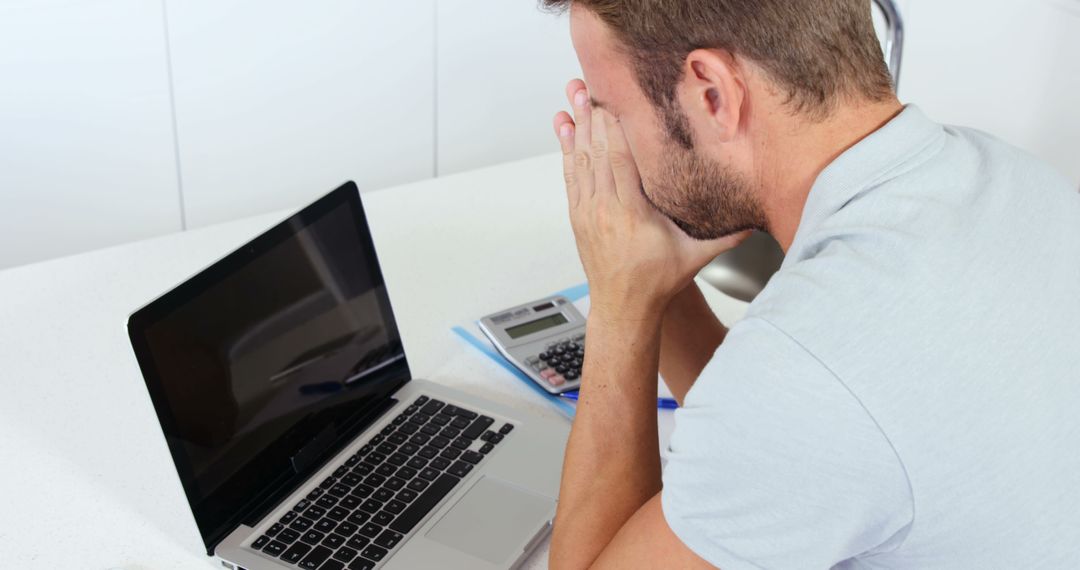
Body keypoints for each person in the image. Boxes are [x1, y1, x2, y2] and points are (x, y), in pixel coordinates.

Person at [540, 0, 1080, 568]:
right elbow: (790, 458)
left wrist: (620, 303)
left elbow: (805, 401)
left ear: (712, 94)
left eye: (612, 114)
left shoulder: (811, 367)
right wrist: (655, 285)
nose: (612, 151)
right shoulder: (1019, 179)